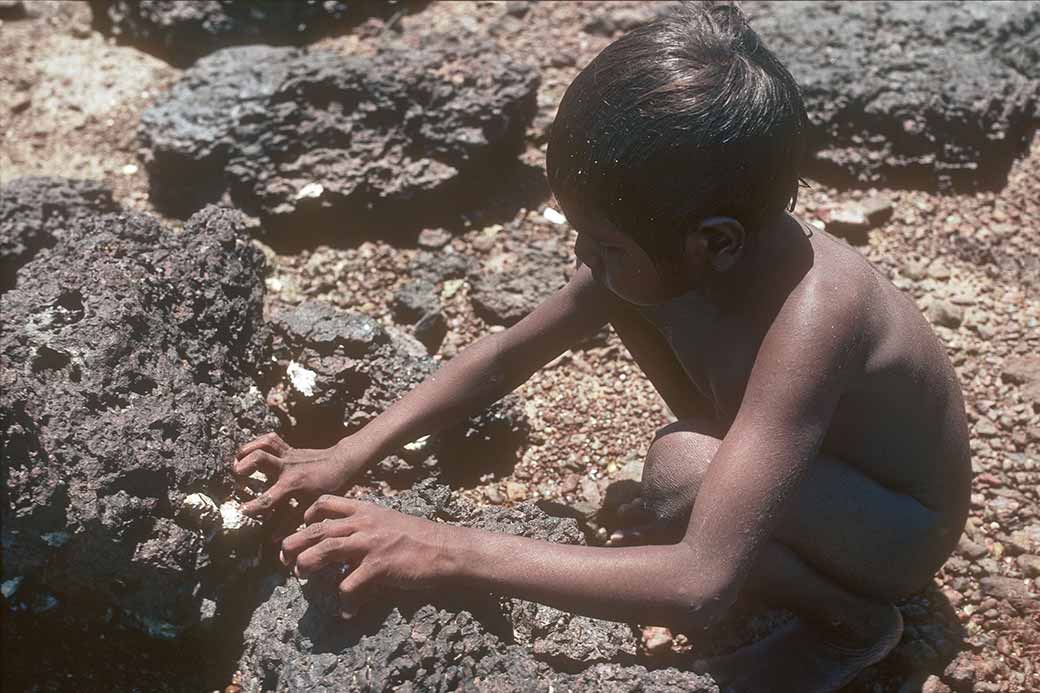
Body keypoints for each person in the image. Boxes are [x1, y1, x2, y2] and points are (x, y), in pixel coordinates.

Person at [231, 3, 971, 691]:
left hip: (895, 530)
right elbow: (507, 354)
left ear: (715, 242)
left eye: (606, 242)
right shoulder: (684, 252)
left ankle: (852, 624)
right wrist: (348, 451)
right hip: (801, 467)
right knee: (637, 331)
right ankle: (741, 513)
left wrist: (443, 547)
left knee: (680, 468)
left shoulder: (815, 314)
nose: (584, 254)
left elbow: (698, 583)